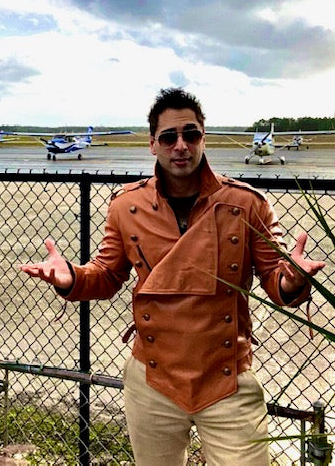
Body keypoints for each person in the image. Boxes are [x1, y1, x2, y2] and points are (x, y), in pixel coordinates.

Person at [19, 87, 325, 466]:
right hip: (153, 379)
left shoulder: (247, 203)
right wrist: (71, 278)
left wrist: (294, 280)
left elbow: (276, 280)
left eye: (190, 135)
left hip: (227, 378)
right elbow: (107, 275)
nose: (181, 146)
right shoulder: (127, 205)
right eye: (168, 137)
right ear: (153, 145)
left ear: (203, 139)